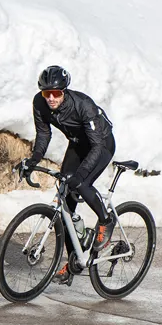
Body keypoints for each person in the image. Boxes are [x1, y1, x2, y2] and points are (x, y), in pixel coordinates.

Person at [21, 65, 117, 283]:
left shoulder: (83, 105)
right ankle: (75, 262)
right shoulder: (39, 103)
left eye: (56, 93)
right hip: (77, 144)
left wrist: (80, 175)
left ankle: (106, 220)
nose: (51, 98)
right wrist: (34, 160)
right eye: (47, 93)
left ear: (65, 91)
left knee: (80, 184)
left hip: (101, 144)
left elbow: (96, 146)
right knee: (65, 204)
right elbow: (43, 133)